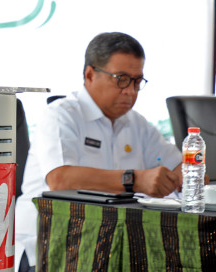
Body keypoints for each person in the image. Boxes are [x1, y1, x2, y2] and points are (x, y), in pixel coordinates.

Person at [14, 32, 182, 272]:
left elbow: (176, 164)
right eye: (122, 79)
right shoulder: (62, 116)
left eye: (137, 81)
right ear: (90, 74)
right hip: (48, 247)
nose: (130, 91)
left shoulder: (137, 124)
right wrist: (134, 180)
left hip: (110, 246)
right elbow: (60, 180)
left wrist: (186, 173)